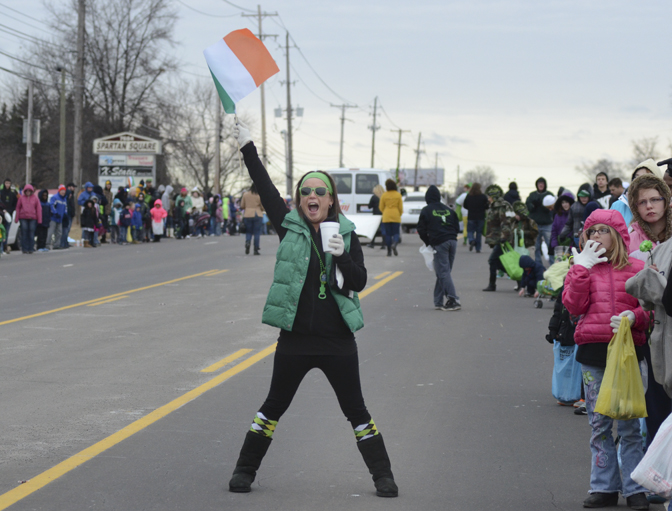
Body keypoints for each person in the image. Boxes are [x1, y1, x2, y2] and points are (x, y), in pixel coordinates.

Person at [227, 122, 398, 498]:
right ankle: (244, 470)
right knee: (272, 408)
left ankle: (383, 476)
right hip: (294, 342)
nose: (312, 195)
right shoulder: (288, 227)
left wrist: (342, 257)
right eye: (306, 191)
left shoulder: (347, 234)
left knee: (357, 411)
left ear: (331, 200)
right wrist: (247, 147)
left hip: (338, 342)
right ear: (300, 201)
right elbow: (266, 187)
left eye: (320, 191)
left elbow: (358, 282)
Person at [562, 210, 649, 510]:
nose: (596, 236)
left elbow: (651, 311)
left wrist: (633, 316)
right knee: (599, 425)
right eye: (591, 231)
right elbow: (573, 306)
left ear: (618, 235)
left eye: (603, 230)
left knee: (630, 426)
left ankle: (635, 488)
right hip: (593, 355)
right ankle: (603, 487)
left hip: (628, 356)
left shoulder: (638, 267)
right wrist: (579, 270)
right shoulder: (581, 267)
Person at [417, 184, 461, 311]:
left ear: (427, 198)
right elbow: (457, 226)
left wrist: (428, 242)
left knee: (443, 272)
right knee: (444, 272)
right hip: (453, 241)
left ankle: (453, 299)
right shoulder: (449, 210)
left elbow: (421, 229)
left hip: (440, 242)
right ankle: (438, 301)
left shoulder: (426, 210)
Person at [482, 184, 514, 292]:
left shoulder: (502, 206)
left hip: (503, 239)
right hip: (497, 238)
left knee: (492, 260)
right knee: (498, 261)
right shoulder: (494, 206)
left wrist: (504, 237)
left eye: (489, 196)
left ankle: (492, 284)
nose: (488, 198)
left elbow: (505, 222)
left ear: (494, 196)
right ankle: (521, 279)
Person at [611, 159, 661, 226]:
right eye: (637, 177)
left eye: (646, 178)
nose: (640, 181)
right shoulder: (617, 206)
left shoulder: (664, 207)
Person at [525, 177, 554, 265]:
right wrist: (533, 206)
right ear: (537, 185)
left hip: (547, 224)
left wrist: (542, 206)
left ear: (545, 185)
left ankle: (553, 264)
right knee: (536, 246)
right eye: (539, 184)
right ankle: (538, 264)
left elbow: (551, 208)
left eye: (542, 183)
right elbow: (528, 206)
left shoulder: (549, 194)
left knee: (550, 245)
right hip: (535, 224)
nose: (541, 185)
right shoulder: (532, 195)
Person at [379, 179, 403, 257]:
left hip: (386, 216)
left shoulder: (384, 195)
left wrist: (385, 212)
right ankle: (395, 244)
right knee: (396, 233)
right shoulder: (398, 195)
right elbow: (400, 208)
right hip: (396, 215)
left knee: (388, 234)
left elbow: (381, 207)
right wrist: (399, 214)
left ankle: (389, 251)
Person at [15, 184, 41, 254]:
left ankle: (31, 248)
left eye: (30, 191)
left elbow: (38, 209)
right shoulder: (21, 198)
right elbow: (18, 208)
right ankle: (24, 248)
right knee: (24, 232)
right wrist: (16, 218)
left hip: (33, 218)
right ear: (25, 191)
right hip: (23, 217)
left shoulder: (35, 198)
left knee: (31, 233)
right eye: (27, 191)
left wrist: (39, 219)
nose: (28, 192)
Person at [463, 182, 489, 253]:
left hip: (471, 216)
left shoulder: (469, 196)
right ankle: (478, 248)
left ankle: (471, 240)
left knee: (470, 231)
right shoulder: (483, 196)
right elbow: (487, 206)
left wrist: (471, 208)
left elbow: (465, 205)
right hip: (480, 217)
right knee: (479, 233)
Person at [240, 183, 264, 255]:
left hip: (248, 214)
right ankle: (256, 249)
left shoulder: (245, 194)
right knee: (257, 232)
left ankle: (247, 242)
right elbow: (262, 206)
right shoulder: (259, 195)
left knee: (248, 231)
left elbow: (242, 205)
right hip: (257, 213)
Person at [47, 185, 67, 250]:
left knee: (59, 232)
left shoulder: (64, 199)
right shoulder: (55, 197)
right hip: (54, 217)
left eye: (64, 191)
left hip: (60, 218)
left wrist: (65, 214)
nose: (63, 192)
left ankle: (56, 245)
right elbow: (51, 206)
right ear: (59, 191)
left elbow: (65, 208)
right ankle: (47, 244)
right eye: (62, 190)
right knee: (51, 231)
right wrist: (55, 213)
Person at [1, 178, 17, 254]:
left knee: (6, 231)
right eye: (6, 183)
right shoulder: (1, 193)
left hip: (9, 215)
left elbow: (15, 204)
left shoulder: (12, 194)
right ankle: (1, 247)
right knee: (1, 231)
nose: (7, 185)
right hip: (1, 215)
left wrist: (10, 211)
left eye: (9, 183)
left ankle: (5, 247)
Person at [367, 184, 384, 248]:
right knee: (383, 229)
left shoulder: (374, 197)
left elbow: (369, 206)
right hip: (382, 215)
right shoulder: (383, 196)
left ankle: (372, 243)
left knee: (375, 229)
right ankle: (383, 244)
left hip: (376, 215)